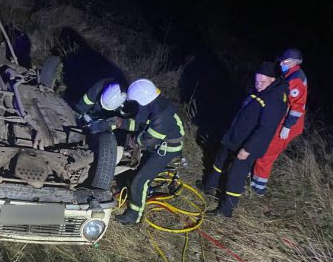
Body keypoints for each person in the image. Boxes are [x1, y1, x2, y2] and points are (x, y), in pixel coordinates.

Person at [90, 79, 185, 225]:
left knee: (140, 181)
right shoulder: (155, 105)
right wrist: (120, 123)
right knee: (132, 173)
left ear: (141, 99)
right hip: (159, 143)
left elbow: (146, 140)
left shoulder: (161, 116)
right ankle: (132, 196)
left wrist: (133, 139)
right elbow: (141, 124)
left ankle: (134, 215)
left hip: (167, 149)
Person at [199, 62, 288, 217]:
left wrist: (248, 149)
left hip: (247, 144)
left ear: (273, 80)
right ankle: (208, 187)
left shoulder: (275, 99)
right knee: (220, 161)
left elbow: (266, 129)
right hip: (235, 136)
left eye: (262, 82)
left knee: (236, 175)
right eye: (256, 81)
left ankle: (226, 210)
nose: (258, 85)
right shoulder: (264, 90)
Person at [251, 48, 307, 195]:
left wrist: (287, 126)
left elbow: (297, 107)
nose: (281, 63)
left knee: (266, 154)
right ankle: (255, 182)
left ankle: (258, 188)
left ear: (291, 62)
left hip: (287, 125)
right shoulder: (291, 74)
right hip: (282, 122)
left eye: (283, 61)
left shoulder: (295, 79)